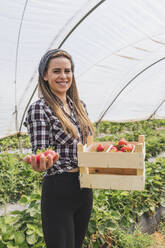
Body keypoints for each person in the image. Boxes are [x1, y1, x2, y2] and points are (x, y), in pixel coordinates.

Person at [24, 49, 95, 248]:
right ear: (45, 76)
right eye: (56, 71)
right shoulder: (40, 108)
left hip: (85, 187)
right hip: (59, 189)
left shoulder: (79, 106)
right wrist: (41, 163)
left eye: (67, 71)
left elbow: (88, 146)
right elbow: (41, 150)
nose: (63, 76)